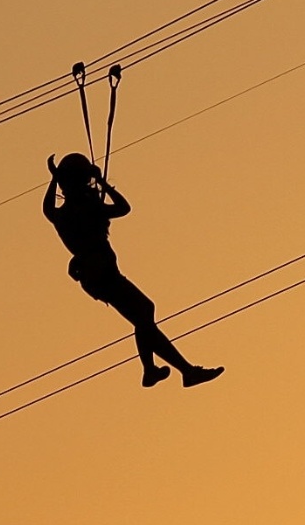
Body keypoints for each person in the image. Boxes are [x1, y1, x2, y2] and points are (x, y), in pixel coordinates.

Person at [43, 152, 223, 389]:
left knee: (143, 317)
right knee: (144, 314)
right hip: (101, 275)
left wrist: (55, 178)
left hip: (98, 275)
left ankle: (160, 370)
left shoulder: (65, 213)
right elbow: (123, 207)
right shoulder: (84, 210)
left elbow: (48, 207)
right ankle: (180, 371)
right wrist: (103, 183)